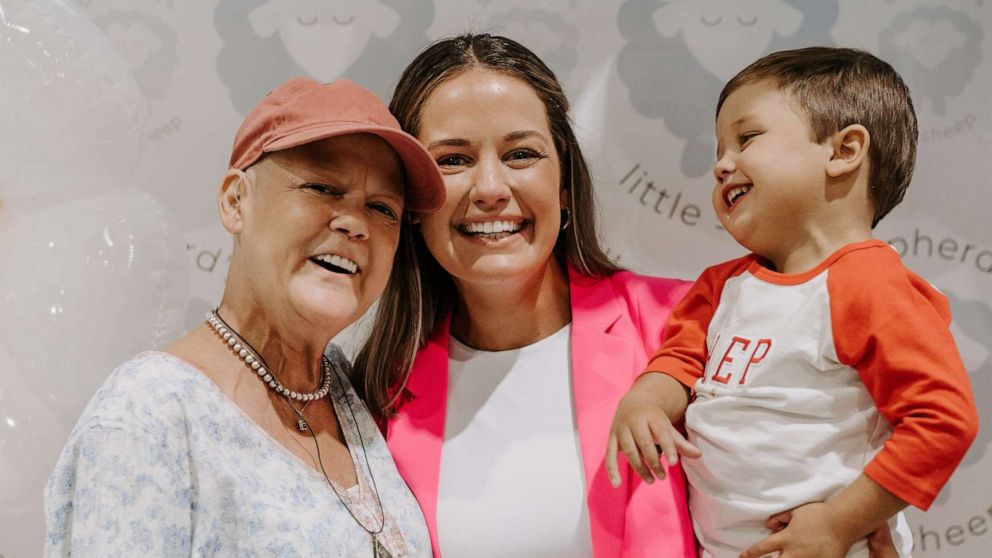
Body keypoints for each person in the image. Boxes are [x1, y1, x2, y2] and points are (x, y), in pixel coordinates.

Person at [44, 77, 445, 557]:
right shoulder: (149, 413)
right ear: (236, 201)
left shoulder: (346, 388)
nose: (354, 223)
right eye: (322, 187)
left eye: (383, 208)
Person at [606, 47, 979, 558]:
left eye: (747, 138)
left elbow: (943, 421)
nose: (720, 165)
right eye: (718, 149)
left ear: (844, 150)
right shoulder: (720, 287)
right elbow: (679, 361)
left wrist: (840, 523)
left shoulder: (868, 284)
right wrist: (647, 399)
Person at [351, 34, 697, 557]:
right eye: (452, 160)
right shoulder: (378, 390)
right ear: (414, 203)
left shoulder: (685, 323)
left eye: (520, 154)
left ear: (564, 185)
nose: (490, 187)